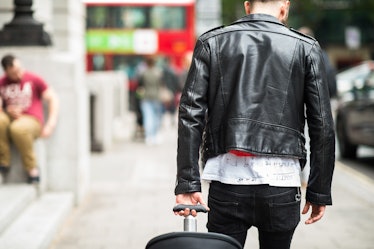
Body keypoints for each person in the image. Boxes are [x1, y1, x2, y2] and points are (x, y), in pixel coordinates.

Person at [174, 1, 335, 249]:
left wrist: (187, 182)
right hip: (281, 184)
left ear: (247, 6)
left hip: (227, 180)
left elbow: (190, 114)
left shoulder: (212, 42)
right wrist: (319, 191)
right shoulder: (306, 47)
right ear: (284, 7)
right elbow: (322, 124)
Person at [0, 54, 59, 184]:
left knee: (17, 128)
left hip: (31, 119)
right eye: (14, 73)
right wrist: (6, 110)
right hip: (10, 117)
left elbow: (53, 98)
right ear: (6, 71)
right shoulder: (2, 83)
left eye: (20, 69)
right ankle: (3, 161)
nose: (19, 75)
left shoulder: (33, 79)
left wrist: (50, 124)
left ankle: (32, 168)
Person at [137, 56, 164, 145]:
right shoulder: (159, 73)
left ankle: (149, 137)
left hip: (146, 97)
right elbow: (161, 85)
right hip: (156, 97)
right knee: (156, 117)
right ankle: (155, 135)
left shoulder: (143, 73)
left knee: (147, 117)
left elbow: (140, 85)